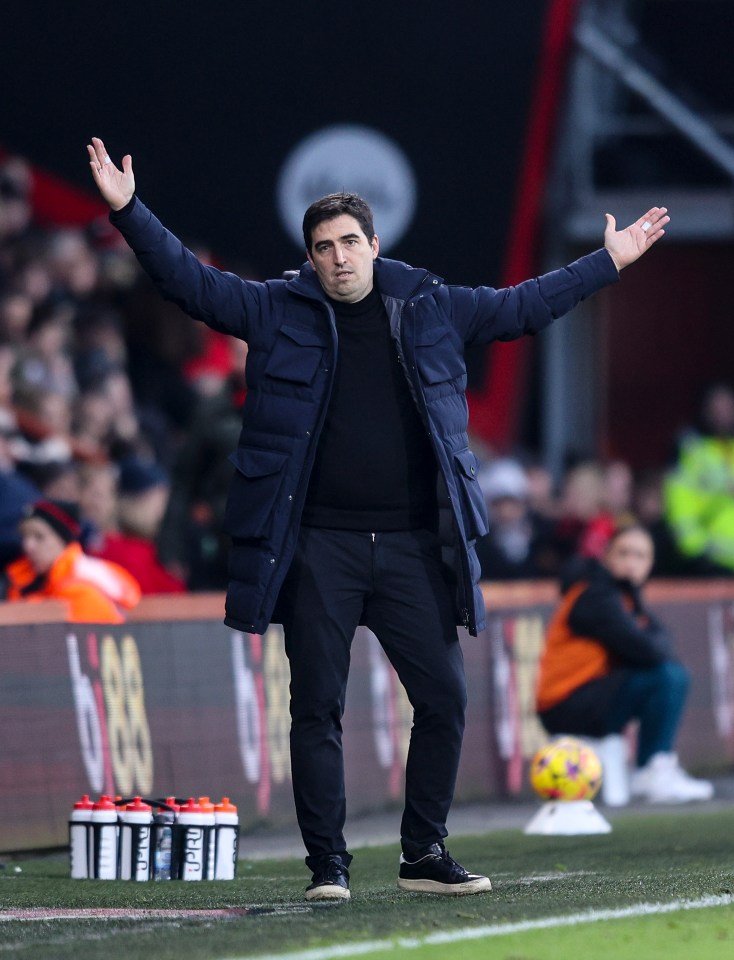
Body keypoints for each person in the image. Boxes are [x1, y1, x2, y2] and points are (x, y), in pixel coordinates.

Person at [87, 135, 668, 899]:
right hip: (318, 546)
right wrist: (130, 212)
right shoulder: (275, 308)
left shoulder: (431, 303)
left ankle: (423, 852)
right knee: (315, 707)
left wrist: (609, 261)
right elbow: (191, 285)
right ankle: (328, 866)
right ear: (310, 257)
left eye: (349, 242)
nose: (337, 257)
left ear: (374, 243)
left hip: (411, 548)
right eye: (323, 247)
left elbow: (524, 307)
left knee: (446, 700)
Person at [535, 524, 713, 804]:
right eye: (624, 553)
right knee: (668, 676)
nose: (632, 562)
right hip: (566, 703)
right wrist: (655, 643)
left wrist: (655, 642)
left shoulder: (623, 597)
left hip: (589, 698)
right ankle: (651, 769)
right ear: (607, 557)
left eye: (641, 556)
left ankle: (655, 767)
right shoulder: (595, 596)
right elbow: (648, 650)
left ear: (651, 564)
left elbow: (659, 640)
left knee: (668, 672)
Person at [2, 499, 141, 622]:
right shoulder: (20, 581)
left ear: (63, 540)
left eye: (39, 537)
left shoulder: (84, 584)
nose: (28, 546)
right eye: (24, 536)